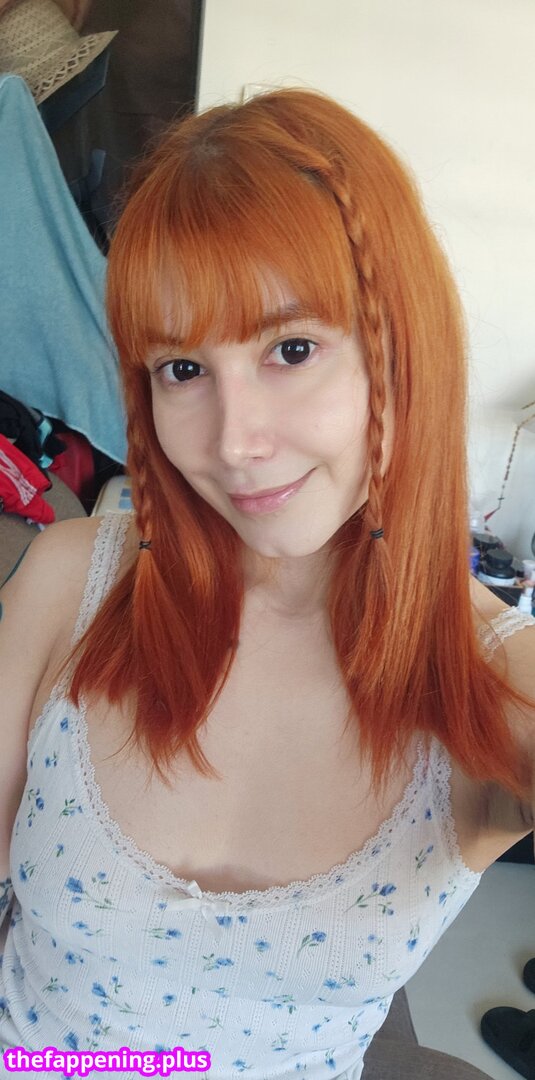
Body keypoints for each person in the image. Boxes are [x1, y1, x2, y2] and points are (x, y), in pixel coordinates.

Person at [0, 87, 534, 1080]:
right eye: (181, 369)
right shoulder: (69, 583)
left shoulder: (492, 680)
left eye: (291, 349)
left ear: (397, 353)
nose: (233, 442)